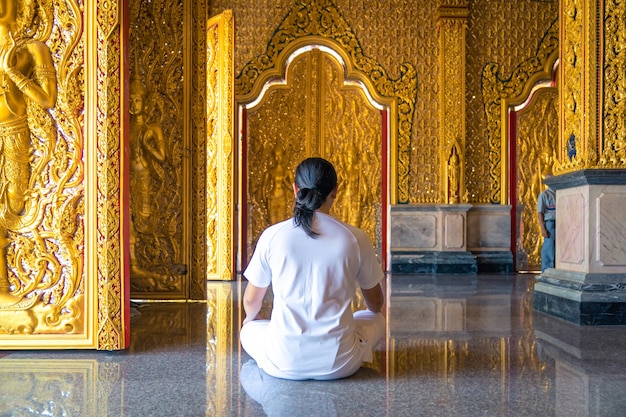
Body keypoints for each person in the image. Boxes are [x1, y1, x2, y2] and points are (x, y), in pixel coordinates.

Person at [240, 157, 385, 380]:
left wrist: (253, 318)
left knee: (249, 330)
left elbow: (251, 301)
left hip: (282, 361)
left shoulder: (273, 235)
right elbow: (375, 304)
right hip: (340, 363)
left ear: (295, 189)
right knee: (375, 319)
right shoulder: (355, 238)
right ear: (335, 191)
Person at [537, 177, 556, 272]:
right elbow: (540, 213)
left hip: (560, 223)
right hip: (550, 223)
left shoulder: (560, 193)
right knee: (549, 246)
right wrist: (543, 228)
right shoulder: (544, 195)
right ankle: (547, 270)